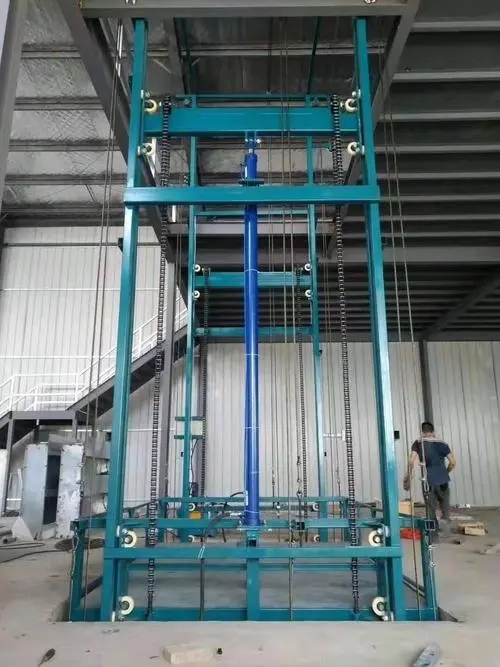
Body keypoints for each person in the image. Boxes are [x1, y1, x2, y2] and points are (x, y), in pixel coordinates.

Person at [403, 421, 456, 535]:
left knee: (431, 509)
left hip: (429, 480)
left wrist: (408, 475)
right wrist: (446, 472)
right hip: (443, 480)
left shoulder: (418, 443)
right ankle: (445, 530)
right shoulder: (443, 443)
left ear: (422, 431)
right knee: (445, 506)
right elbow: (453, 462)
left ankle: (433, 535)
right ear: (433, 431)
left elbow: (411, 461)